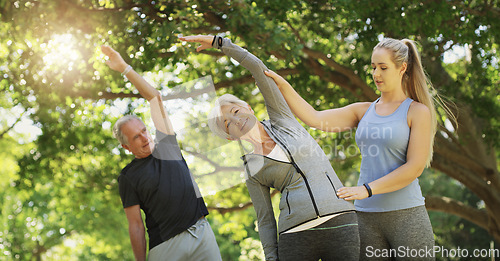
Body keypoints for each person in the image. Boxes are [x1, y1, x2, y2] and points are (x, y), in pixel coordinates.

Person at [264, 38, 450, 260]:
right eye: (373, 67)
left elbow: (414, 167)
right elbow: (314, 118)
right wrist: (282, 85)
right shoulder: (362, 111)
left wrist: (367, 189)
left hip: (406, 215)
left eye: (383, 67)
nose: (376, 74)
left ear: (402, 68)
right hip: (364, 218)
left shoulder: (417, 111)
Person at [179, 35, 360, 261]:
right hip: (294, 234)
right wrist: (271, 257)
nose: (236, 121)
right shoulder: (251, 168)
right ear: (228, 137)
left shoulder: (282, 118)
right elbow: (264, 219)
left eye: (235, 112)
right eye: (227, 124)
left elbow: (257, 68)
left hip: (340, 219)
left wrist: (220, 43)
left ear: (247, 107)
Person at [102, 45, 222, 261]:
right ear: (126, 147)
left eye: (144, 131)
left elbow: (155, 98)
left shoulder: (167, 144)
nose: (144, 138)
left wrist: (124, 68)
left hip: (201, 233)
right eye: (136, 137)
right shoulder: (128, 177)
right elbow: (136, 225)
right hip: (166, 247)